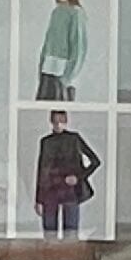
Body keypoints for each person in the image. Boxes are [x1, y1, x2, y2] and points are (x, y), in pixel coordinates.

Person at [34, 101, 99, 238]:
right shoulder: (46, 141)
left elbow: (95, 161)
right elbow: (41, 171)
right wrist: (38, 199)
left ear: (66, 121)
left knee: (71, 233)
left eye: (61, 121)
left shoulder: (74, 139)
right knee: (49, 234)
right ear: (51, 121)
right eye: (55, 121)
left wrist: (78, 177)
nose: (58, 124)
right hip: (50, 190)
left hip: (70, 191)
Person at [36, 0, 88, 102]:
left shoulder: (76, 13)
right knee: (45, 106)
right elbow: (48, 40)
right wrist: (42, 64)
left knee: (61, 108)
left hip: (63, 71)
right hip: (48, 69)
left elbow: (78, 46)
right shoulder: (56, 12)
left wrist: (69, 75)